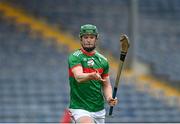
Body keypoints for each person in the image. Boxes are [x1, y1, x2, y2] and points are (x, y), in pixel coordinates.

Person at [68, 24, 118, 123]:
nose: (88, 40)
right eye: (85, 37)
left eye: (92, 37)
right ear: (81, 39)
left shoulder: (103, 60)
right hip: (80, 108)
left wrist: (109, 98)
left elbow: (106, 84)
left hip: (99, 109)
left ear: (96, 39)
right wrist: (91, 75)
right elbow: (78, 77)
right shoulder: (75, 57)